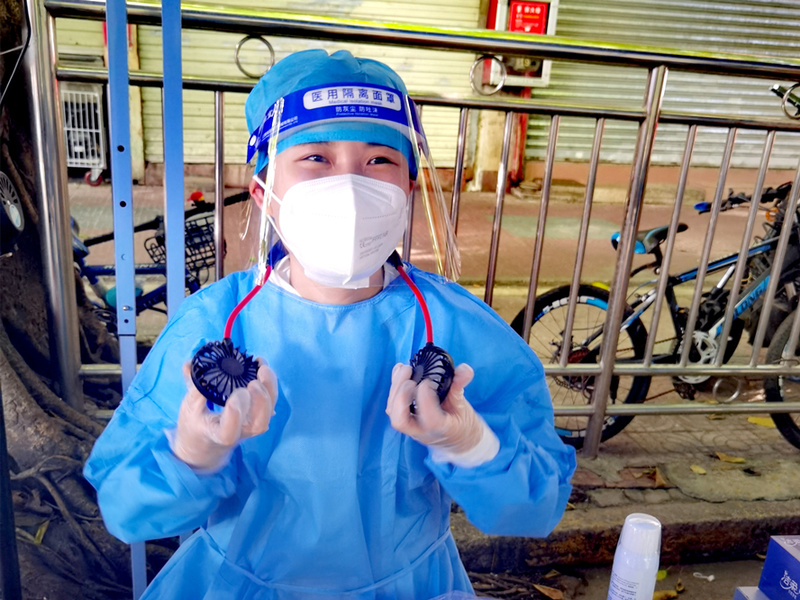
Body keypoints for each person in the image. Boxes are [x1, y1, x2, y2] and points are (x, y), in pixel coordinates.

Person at [83, 49, 576, 600]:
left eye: (379, 160)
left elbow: (536, 506)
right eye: (316, 157)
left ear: (408, 190)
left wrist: (471, 443)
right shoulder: (215, 325)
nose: (349, 186)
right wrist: (192, 455)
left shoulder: (454, 328)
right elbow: (126, 506)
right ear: (264, 194)